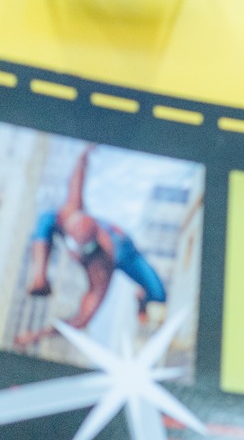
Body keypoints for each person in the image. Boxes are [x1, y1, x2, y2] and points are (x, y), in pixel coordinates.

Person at [15, 144, 167, 347]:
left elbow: (81, 320)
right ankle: (39, 276)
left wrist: (38, 335)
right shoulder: (70, 214)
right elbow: (77, 176)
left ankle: (141, 299)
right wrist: (86, 152)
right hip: (91, 232)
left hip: (125, 254)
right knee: (46, 218)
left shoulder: (101, 272)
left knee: (158, 294)